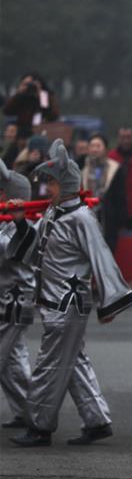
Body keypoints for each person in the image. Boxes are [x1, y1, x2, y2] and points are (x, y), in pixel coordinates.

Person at [8, 140, 132, 447]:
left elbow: (101, 257)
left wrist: (111, 302)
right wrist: (20, 224)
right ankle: (96, 420)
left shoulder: (81, 217)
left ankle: (40, 426)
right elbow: (31, 252)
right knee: (74, 363)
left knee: (49, 365)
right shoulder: (55, 213)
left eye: (51, 183)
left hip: (67, 305)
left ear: (65, 183)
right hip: (55, 303)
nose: (46, 189)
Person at [0, 160, 35, 429]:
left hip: (13, 300)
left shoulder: (23, 224)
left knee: (6, 359)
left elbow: (6, 253)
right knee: (13, 362)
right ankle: (29, 412)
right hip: (6, 299)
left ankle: (38, 414)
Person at [80, 133, 125, 250]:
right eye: (92, 146)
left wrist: (120, 220)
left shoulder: (115, 168)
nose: (95, 149)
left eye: (98, 146)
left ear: (105, 149)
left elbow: (120, 196)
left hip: (108, 219)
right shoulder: (82, 168)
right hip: (87, 216)